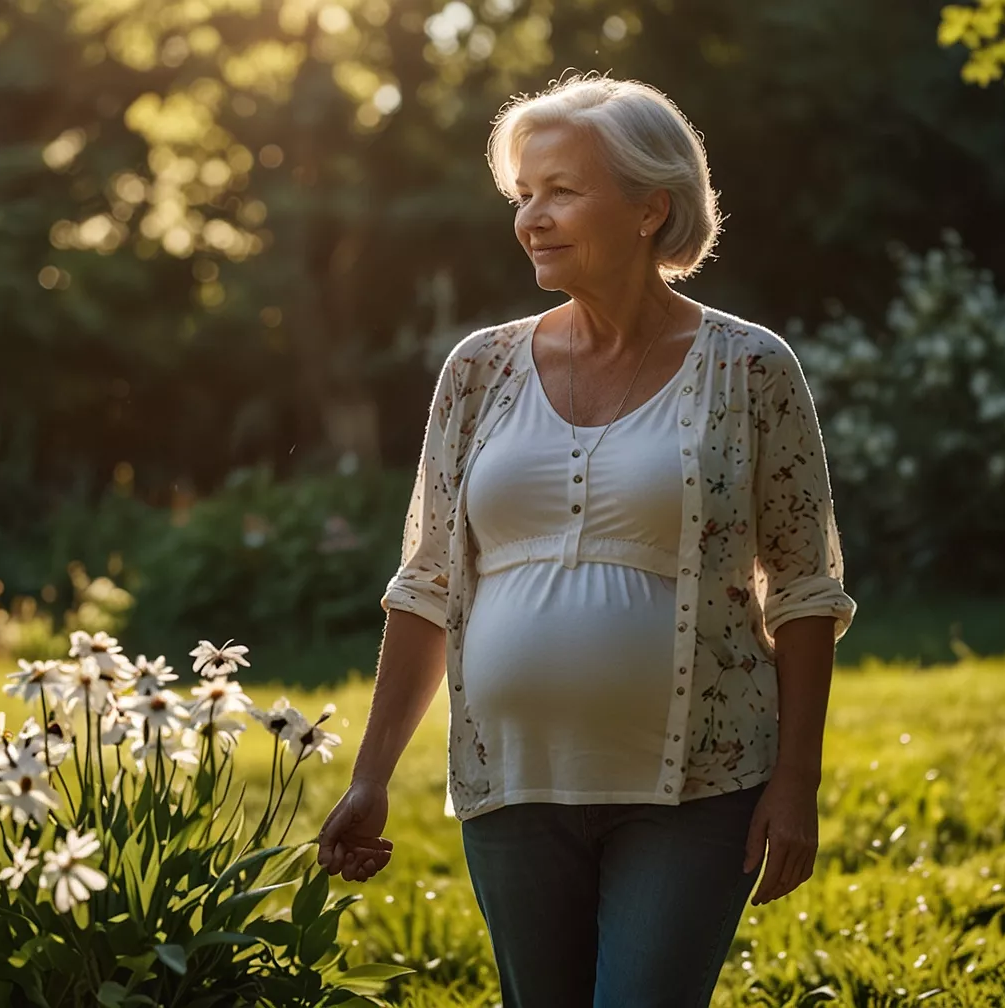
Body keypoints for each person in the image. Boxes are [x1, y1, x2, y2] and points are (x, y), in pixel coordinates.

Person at [315, 71, 858, 1008]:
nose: (532, 217)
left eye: (562, 191)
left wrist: (796, 785)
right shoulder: (478, 369)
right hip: (510, 785)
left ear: (652, 207)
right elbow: (428, 580)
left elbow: (806, 592)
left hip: (701, 787)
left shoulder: (753, 368)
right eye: (523, 195)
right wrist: (372, 776)